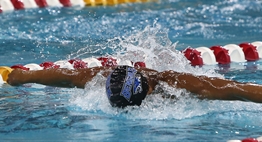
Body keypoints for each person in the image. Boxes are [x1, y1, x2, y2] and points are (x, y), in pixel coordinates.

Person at [6, 65, 262, 108]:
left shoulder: (188, 86)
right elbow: (63, 76)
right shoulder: (99, 76)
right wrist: (16, 76)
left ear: (149, 92)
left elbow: (236, 89)